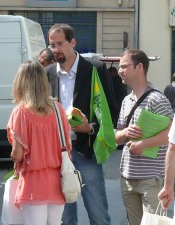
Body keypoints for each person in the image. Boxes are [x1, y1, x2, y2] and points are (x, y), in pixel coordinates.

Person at [45, 23, 117, 225]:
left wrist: (90, 127)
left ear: (73, 42)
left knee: (98, 214)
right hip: (56, 153)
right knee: (64, 217)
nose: (56, 50)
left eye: (60, 44)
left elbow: (109, 110)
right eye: (52, 45)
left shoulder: (95, 69)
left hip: (85, 149)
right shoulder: (48, 72)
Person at [7, 60, 72, 225]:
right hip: (57, 180)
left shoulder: (21, 112)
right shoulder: (58, 109)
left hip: (33, 182)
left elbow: (18, 154)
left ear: (20, 82)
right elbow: (67, 146)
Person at [115, 49, 173, 225]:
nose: (120, 71)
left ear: (140, 67)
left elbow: (172, 134)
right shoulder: (127, 100)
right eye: (119, 67)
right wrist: (124, 133)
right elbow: (116, 137)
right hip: (127, 177)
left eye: (124, 66)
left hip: (151, 179)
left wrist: (144, 144)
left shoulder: (157, 99)